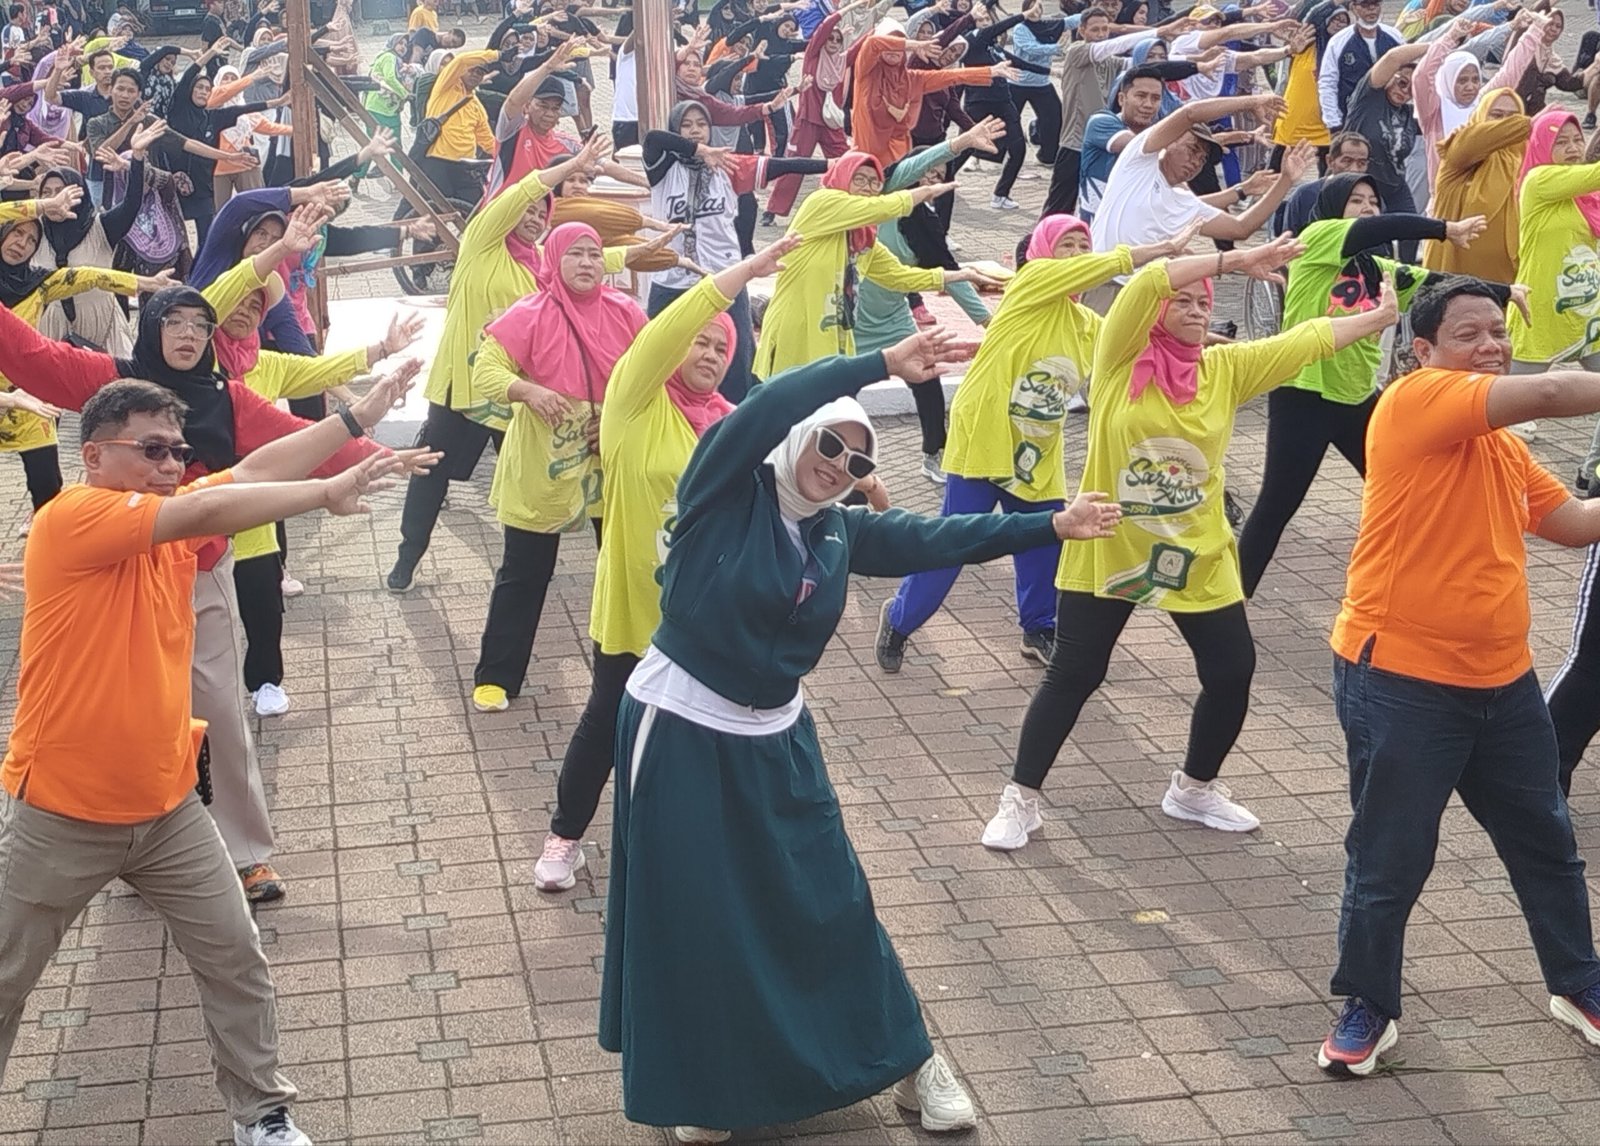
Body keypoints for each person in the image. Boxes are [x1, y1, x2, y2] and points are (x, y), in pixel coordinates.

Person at [597, 324, 1122, 1143]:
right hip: (681, 725)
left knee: (830, 899)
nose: (840, 466)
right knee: (695, 909)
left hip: (776, 733)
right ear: (800, 439)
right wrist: (877, 365)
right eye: (831, 445)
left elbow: (938, 537)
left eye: (860, 460)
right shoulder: (722, 491)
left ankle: (911, 1062)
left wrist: (1051, 525)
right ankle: (698, 1090)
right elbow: (766, 404)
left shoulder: (839, 529)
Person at [0, 379, 416, 1146]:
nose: (171, 465)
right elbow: (204, 506)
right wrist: (326, 494)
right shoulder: (74, 517)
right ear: (93, 455)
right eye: (151, 449)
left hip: (167, 809)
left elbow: (251, 474)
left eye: (179, 451)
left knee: (235, 959)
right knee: (5, 980)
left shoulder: (164, 525)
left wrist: (353, 418)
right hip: (60, 808)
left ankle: (261, 1114)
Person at [0, 238, 406, 905]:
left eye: (199, 325)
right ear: (150, 330)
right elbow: (27, 353)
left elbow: (274, 450)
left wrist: (374, 452)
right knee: (127, 717)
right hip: (111, 579)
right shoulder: (110, 380)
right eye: (174, 323)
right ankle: (137, 851)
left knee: (218, 711)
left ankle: (245, 855)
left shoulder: (226, 396)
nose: (188, 335)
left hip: (201, 571)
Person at [980, 236, 1402, 851]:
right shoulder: (1120, 357)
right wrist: (1231, 261)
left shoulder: (1224, 371)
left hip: (1197, 553)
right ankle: (1020, 799)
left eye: (1204, 303)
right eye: (1183, 301)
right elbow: (1149, 282)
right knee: (1075, 672)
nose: (1195, 310)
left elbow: (1303, 342)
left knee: (1232, 672)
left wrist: (1380, 318)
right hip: (1111, 545)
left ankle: (1194, 789)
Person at [1317, 278, 1600, 1077]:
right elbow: (1547, 388)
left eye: (1499, 333)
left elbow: (1572, 526)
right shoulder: (1411, 404)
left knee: (1546, 839)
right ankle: (1369, 1003)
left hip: (1504, 684)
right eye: (1470, 334)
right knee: (1390, 856)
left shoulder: (1502, 447)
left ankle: (1578, 982)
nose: (1491, 347)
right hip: (1400, 679)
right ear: (1424, 352)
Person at [532, 237, 797, 893]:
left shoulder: (731, 423)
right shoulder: (633, 406)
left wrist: (860, 484)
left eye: (721, 348)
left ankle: (698, 856)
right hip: (632, 610)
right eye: (699, 341)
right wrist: (738, 278)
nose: (708, 354)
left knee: (699, 742)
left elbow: (783, 494)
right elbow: (668, 331)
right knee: (606, 725)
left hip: (705, 621)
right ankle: (563, 840)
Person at [877, 213, 1189, 673]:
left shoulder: (1087, 324)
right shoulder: (1029, 287)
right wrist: (1160, 251)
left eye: (1085, 246)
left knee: (1046, 545)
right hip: (984, 439)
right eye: (1068, 246)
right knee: (955, 542)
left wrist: (1197, 344)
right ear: (1043, 254)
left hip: (1038, 452)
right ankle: (899, 620)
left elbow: (1140, 348)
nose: (1079, 257)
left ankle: (1038, 629)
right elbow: (1100, 268)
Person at [384, 137, 660, 594]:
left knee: (534, 471)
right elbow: (520, 191)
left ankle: (548, 566)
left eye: (542, 213)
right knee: (430, 469)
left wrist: (636, 252)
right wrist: (570, 164)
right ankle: (408, 554)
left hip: (517, 396)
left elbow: (584, 262)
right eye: (528, 210)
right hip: (463, 387)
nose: (533, 218)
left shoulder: (540, 267)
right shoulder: (482, 244)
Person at [1236, 174, 1487, 597]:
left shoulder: (1377, 270)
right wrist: (1445, 228)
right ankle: (1231, 600)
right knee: (1277, 506)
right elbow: (1378, 230)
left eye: (1374, 200)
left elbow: (1439, 286)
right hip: (1304, 395)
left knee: (1401, 490)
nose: (1368, 208)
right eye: (1356, 200)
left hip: (1355, 399)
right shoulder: (1315, 240)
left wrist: (1504, 290)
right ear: (1335, 207)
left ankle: (1418, 584)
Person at [467, 221, 647, 715]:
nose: (588, 263)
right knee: (524, 571)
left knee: (625, 566)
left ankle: (635, 672)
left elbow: (656, 376)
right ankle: (496, 676)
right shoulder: (531, 313)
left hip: (609, 459)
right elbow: (486, 370)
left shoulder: (627, 312)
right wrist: (528, 390)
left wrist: (612, 418)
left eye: (595, 254)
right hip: (543, 462)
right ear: (555, 260)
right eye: (576, 254)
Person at [643, 100, 825, 402]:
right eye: (686, 125)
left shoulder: (728, 166)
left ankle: (736, 431)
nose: (695, 130)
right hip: (672, 283)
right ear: (676, 128)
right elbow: (652, 139)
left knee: (735, 364)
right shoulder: (662, 169)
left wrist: (834, 164)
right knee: (657, 361)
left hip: (724, 280)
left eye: (701, 124)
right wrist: (701, 151)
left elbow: (786, 165)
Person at [853, 122, 1005, 481]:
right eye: (926, 174)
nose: (931, 181)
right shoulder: (882, 197)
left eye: (939, 177)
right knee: (840, 391)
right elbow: (908, 168)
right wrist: (959, 143)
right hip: (849, 320)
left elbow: (950, 275)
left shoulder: (926, 224)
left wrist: (987, 321)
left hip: (893, 319)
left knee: (928, 380)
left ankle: (934, 453)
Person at [752, 152, 986, 378]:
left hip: (831, 339)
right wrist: (924, 192)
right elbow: (882, 208)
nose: (867, 186)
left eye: (874, 182)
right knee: (785, 409)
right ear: (842, 178)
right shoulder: (821, 203)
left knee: (830, 411)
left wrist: (960, 275)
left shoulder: (863, 240)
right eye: (859, 178)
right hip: (794, 334)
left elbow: (899, 277)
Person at [1089, 93, 1313, 255]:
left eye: (1202, 158)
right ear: (1170, 142)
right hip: (1107, 281)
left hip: (1145, 295)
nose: (1195, 162)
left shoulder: (1182, 201)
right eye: (1192, 150)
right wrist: (1251, 101)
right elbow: (1190, 114)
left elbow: (1240, 228)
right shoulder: (1139, 161)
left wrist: (1285, 180)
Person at [850, 31, 1012, 165]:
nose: (894, 50)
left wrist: (990, 71)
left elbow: (951, 76)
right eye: (891, 44)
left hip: (898, 159)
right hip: (866, 159)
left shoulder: (913, 78)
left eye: (898, 48)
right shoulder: (866, 75)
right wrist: (914, 44)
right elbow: (872, 43)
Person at [1424, 86, 1528, 282]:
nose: (1505, 123)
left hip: (1507, 277)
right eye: (1496, 115)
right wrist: (1533, 124)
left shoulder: (1522, 157)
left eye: (1513, 117)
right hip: (1456, 274)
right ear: (1480, 115)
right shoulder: (1461, 148)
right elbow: (1484, 138)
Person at [1319, 0, 1403, 131]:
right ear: (1353, 7)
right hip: (1352, 119)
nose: (1371, 9)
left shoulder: (1395, 37)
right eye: (1365, 5)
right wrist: (1333, 123)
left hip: (1390, 119)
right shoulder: (1338, 41)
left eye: (1375, 4)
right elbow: (1328, 82)